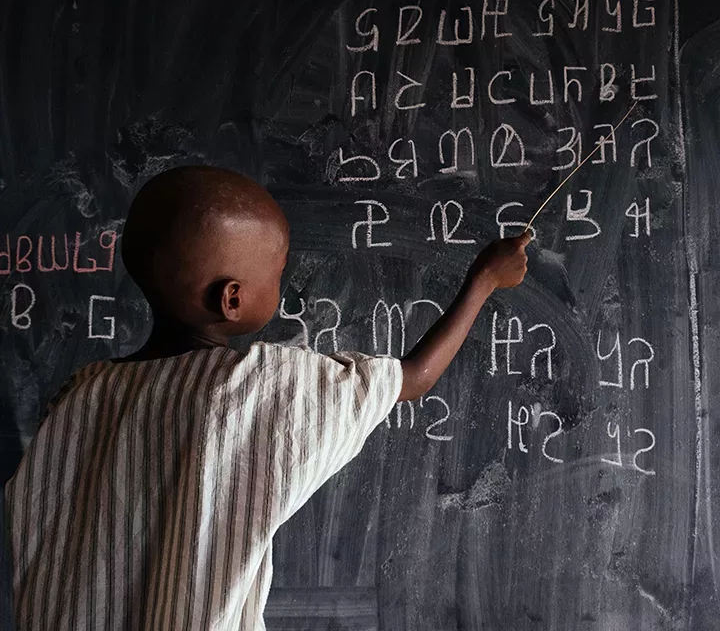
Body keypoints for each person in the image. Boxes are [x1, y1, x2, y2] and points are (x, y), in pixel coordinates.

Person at [5, 165, 529, 630]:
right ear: (232, 298)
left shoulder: (80, 395)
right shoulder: (260, 387)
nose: (282, 285)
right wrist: (483, 281)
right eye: (276, 274)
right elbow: (413, 378)